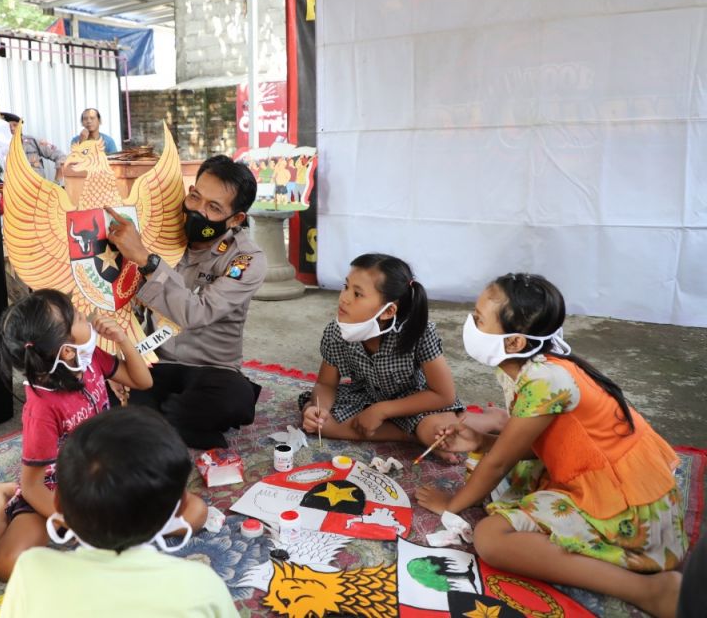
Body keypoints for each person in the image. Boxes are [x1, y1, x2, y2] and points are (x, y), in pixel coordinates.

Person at [416, 273, 687, 618]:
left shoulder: (544, 380)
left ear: (515, 342)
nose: (470, 323)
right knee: (494, 474)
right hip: (600, 474)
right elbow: (543, 443)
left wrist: (452, 505)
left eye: (478, 319)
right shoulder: (529, 366)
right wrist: (482, 440)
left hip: (625, 504)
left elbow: (499, 463)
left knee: (491, 538)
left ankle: (649, 591)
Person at [0, 290, 204, 581]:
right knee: (5, 564)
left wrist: (122, 340)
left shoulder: (89, 358)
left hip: (107, 474)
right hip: (58, 490)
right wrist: (82, 525)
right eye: (78, 317)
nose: (87, 316)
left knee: (195, 512)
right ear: (67, 351)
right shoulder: (40, 408)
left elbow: (142, 381)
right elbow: (33, 486)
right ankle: (1, 500)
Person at [0, 405, 237, 617]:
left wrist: (1, 511)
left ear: (58, 504)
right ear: (180, 507)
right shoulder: (202, 585)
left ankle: (0, 503)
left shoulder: (29, 571)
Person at [104, 155, 265, 449]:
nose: (197, 211)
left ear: (236, 219)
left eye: (214, 208)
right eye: (195, 197)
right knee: (101, 386)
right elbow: (123, 304)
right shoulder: (162, 235)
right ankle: (172, 426)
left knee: (234, 399)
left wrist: (148, 261)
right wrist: (119, 361)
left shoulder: (246, 259)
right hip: (156, 361)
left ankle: (153, 425)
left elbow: (196, 312)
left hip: (213, 369)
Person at [299, 254, 465, 455]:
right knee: (318, 421)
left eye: (357, 294)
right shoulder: (337, 332)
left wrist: (381, 411)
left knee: (435, 432)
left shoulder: (419, 333)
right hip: (367, 396)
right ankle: (412, 435)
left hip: (415, 403)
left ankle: (487, 420)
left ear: (388, 311)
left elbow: (444, 395)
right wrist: (320, 410)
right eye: (346, 286)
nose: (344, 298)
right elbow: (326, 384)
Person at [0, 111, 67, 182]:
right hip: (15, 186)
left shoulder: (32, 141)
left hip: (38, 186)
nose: (12, 129)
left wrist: (57, 182)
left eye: (15, 125)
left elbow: (61, 156)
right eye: (8, 126)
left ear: (20, 127)